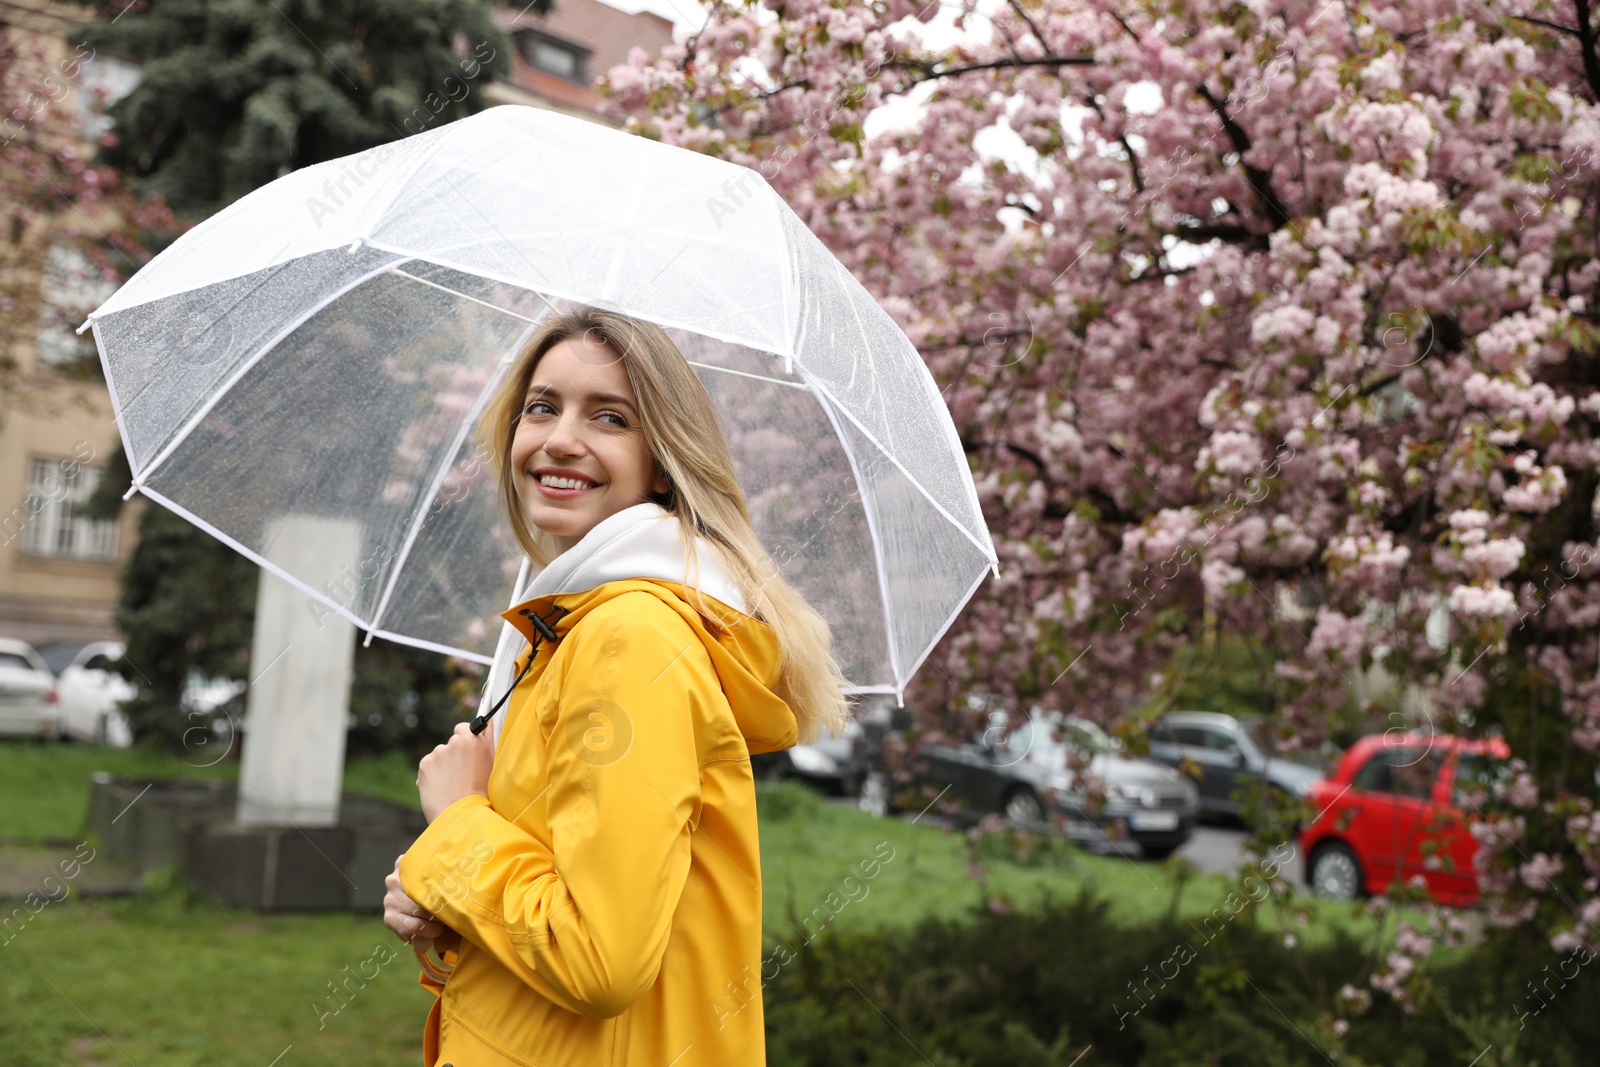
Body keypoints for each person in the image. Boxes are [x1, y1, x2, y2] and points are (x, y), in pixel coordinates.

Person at [381, 306, 852, 1067]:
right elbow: (561, 885)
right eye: (542, 406)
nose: (561, 437)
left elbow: (599, 956)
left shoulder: (629, 639)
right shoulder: (570, 627)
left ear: (662, 460)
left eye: (610, 417)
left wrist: (460, 824)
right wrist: (443, 888)